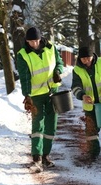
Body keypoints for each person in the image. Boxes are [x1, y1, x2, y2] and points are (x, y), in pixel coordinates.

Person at [16, 27, 64, 172]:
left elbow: (60, 63)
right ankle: (36, 157)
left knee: (51, 125)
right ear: (27, 41)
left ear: (40, 39)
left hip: (52, 92)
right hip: (36, 95)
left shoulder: (51, 48)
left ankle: (46, 156)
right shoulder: (22, 55)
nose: (34, 44)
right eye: (31, 41)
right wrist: (27, 95)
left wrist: (58, 71)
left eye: (36, 41)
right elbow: (24, 77)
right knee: (38, 125)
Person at [71, 46, 101, 160]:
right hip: (90, 105)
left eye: (88, 58)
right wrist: (82, 95)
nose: (86, 60)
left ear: (93, 56)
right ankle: (93, 152)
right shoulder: (77, 70)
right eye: (83, 58)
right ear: (80, 58)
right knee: (91, 130)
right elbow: (75, 87)